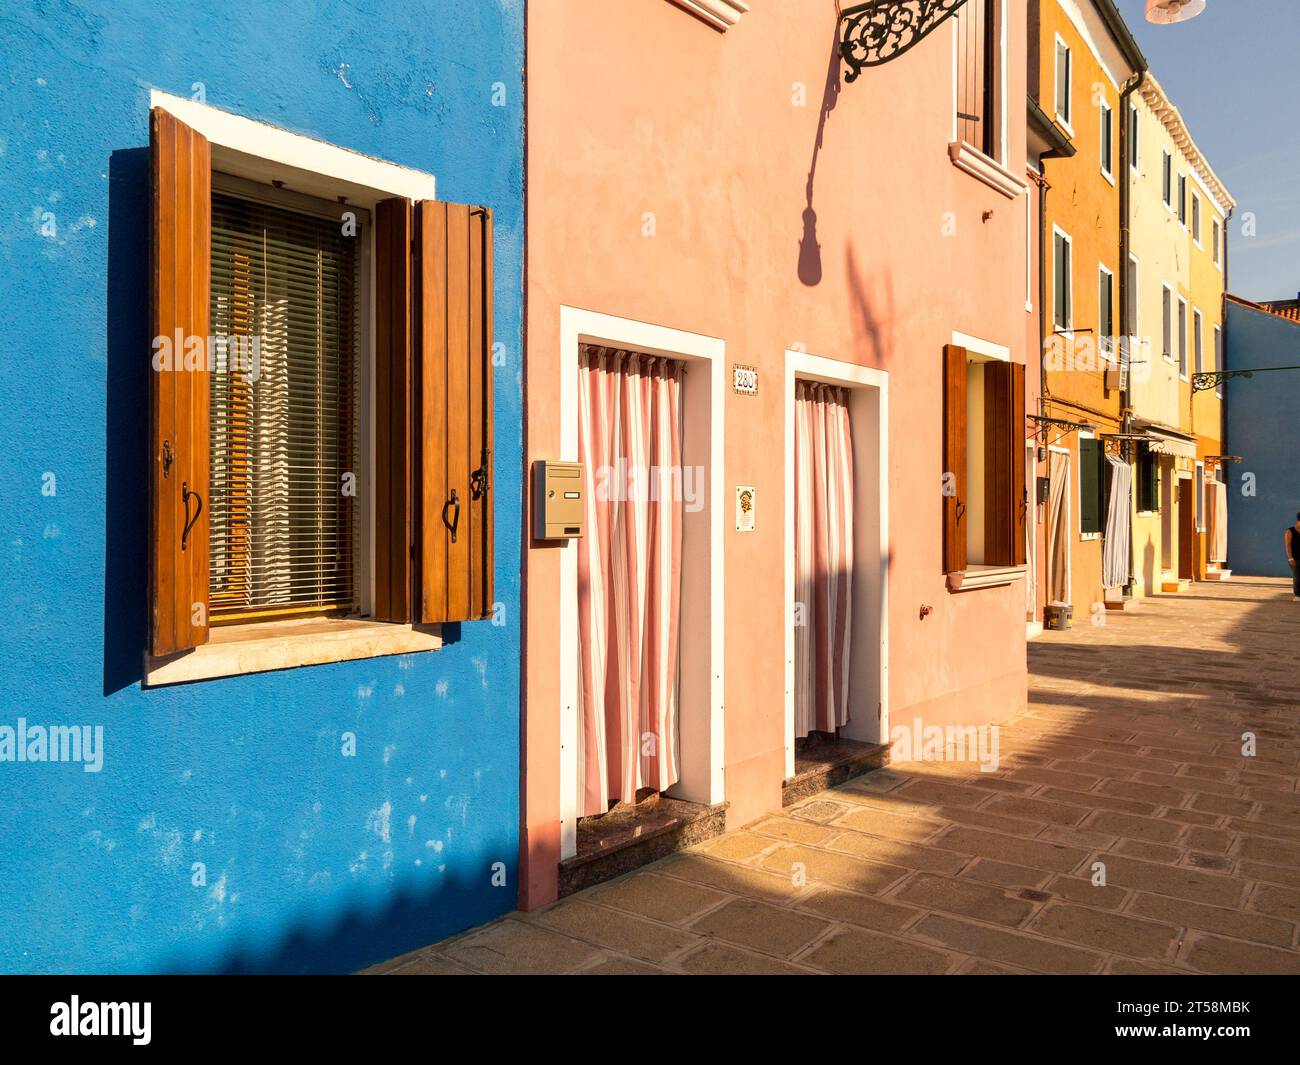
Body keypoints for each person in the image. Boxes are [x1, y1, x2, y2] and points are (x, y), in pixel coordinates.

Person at [1287, 513, 1300, 600]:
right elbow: (1287, 545)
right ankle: (1298, 595)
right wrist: (1290, 557)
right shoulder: (1290, 531)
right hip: (1295, 558)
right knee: (1297, 577)